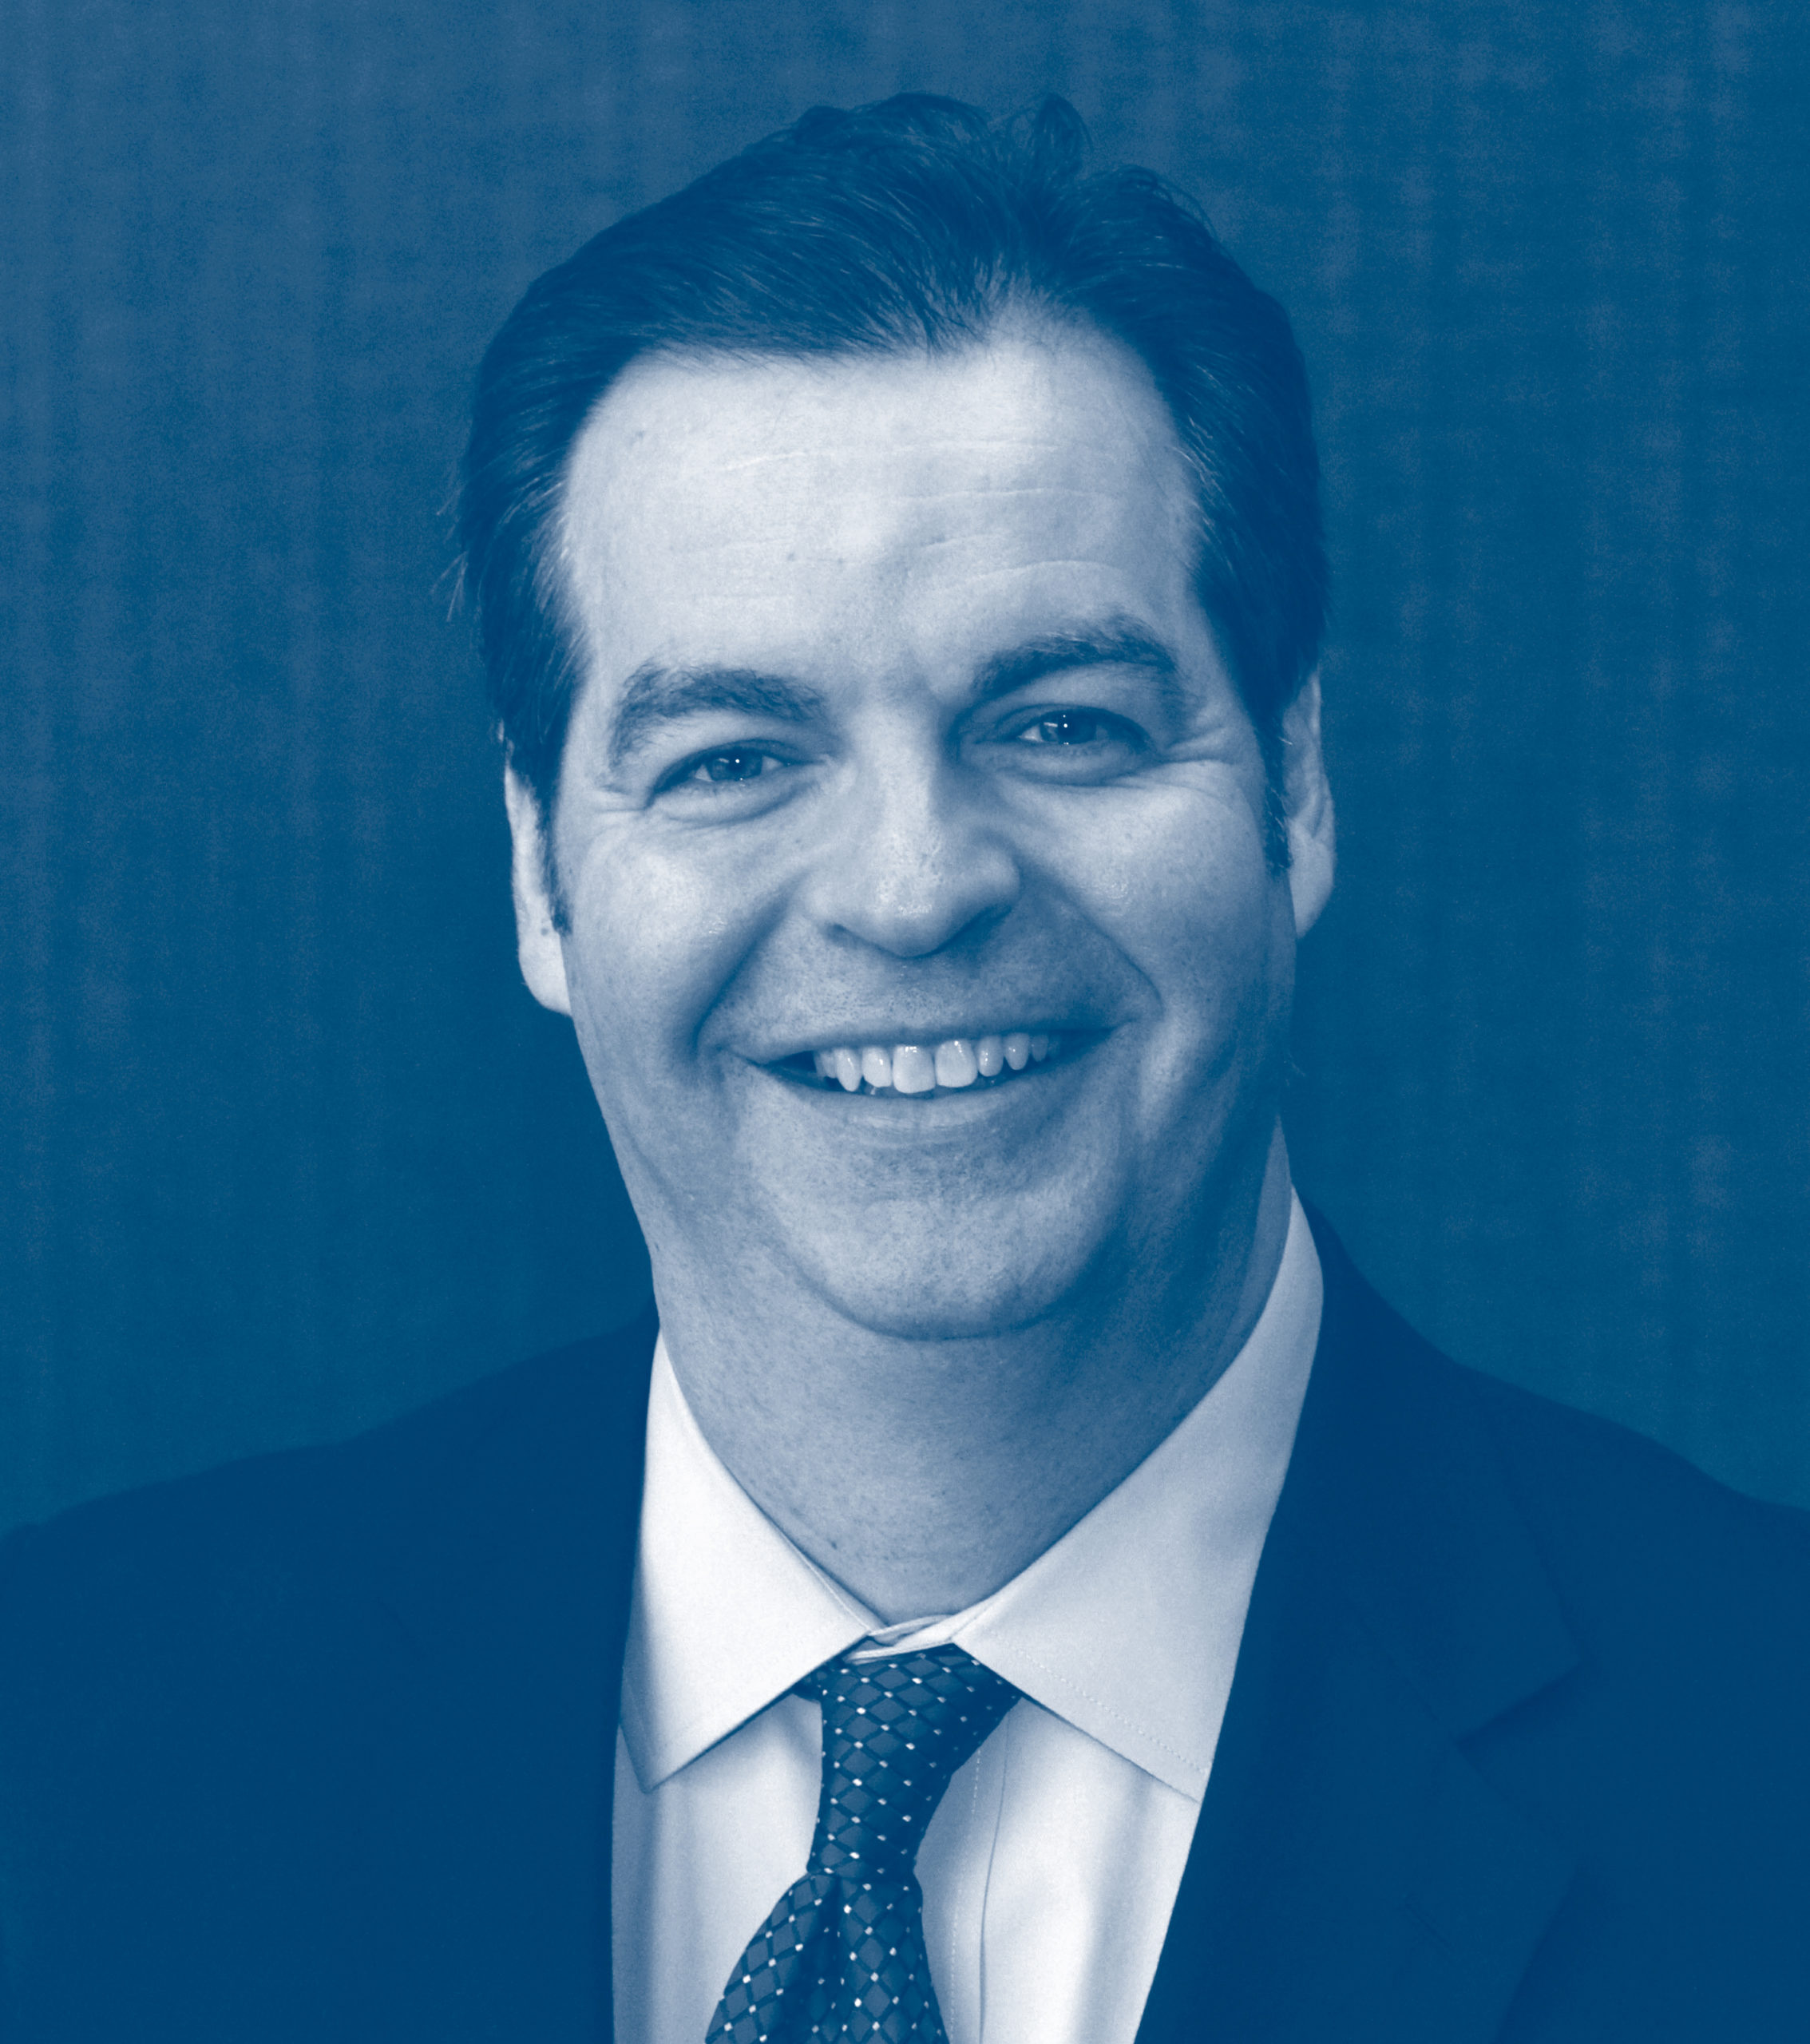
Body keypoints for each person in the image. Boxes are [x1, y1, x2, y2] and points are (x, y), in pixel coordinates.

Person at [0, 93, 1803, 2044]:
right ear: (540, 872)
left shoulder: (1761, 1762)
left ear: (1292, 786)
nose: (913, 888)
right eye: (735, 758)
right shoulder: (74, 1748)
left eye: (1062, 722)